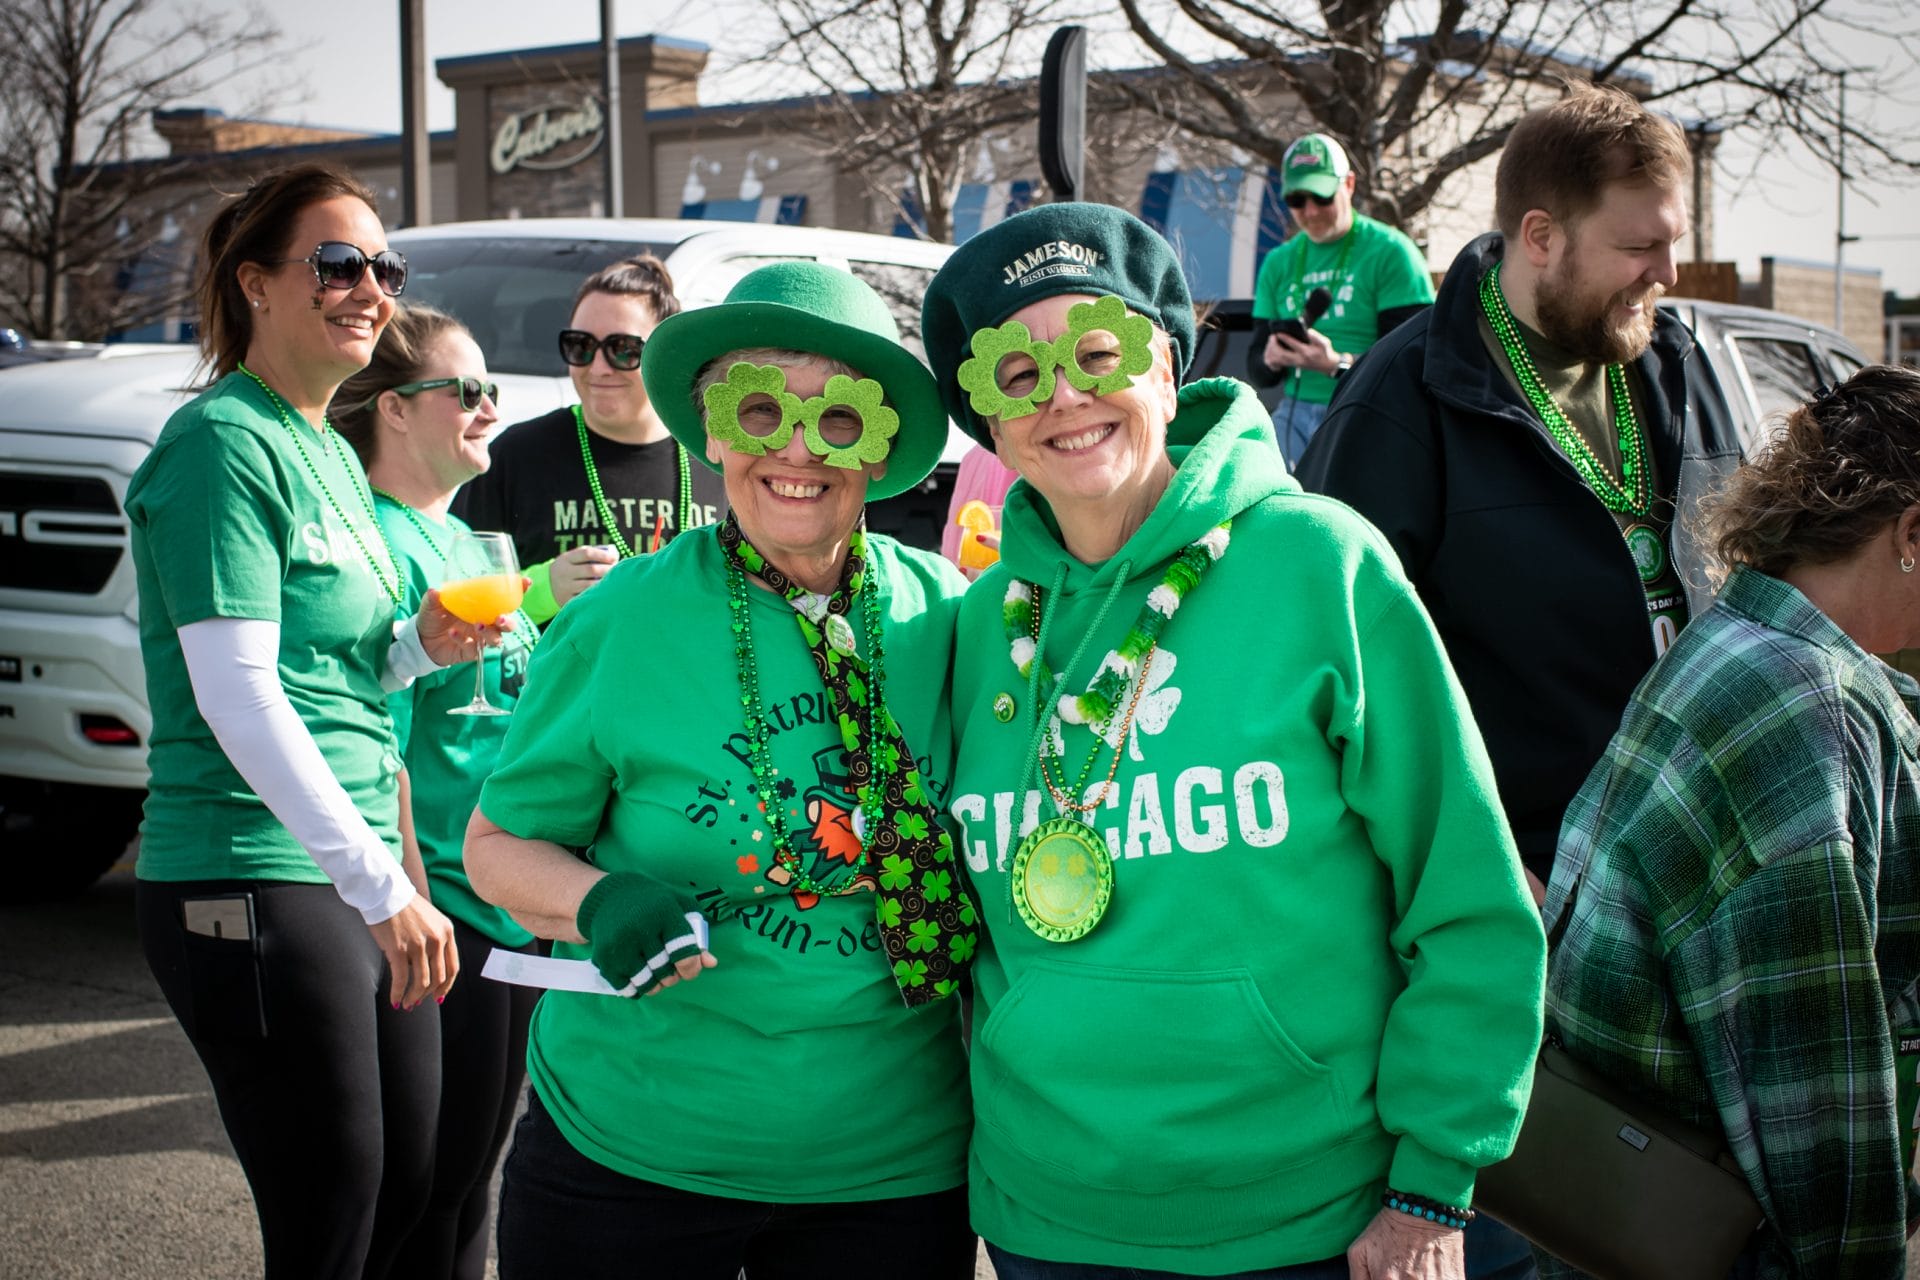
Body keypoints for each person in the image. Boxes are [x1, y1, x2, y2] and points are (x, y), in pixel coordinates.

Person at [920, 202, 1545, 1279]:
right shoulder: (980, 626)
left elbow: (1471, 898)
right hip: (1047, 1222)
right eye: (1018, 376)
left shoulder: (1319, 564)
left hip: (1309, 1225)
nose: (1064, 393)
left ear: (1169, 370)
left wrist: (1432, 1182)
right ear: (991, 424)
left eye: (1097, 353)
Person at [463, 261, 977, 1279]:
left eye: (835, 418)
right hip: (630, 1155)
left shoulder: (952, 616)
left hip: (890, 1171)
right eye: (760, 410)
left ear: (877, 446)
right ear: (712, 432)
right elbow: (498, 845)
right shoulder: (621, 618)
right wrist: (599, 899)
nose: (795, 448)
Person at [125, 164, 510, 1279]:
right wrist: (383, 883)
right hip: (247, 868)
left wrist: (416, 647)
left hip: (346, 864)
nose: (370, 289)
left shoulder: (326, 451)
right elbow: (239, 692)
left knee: (412, 1185)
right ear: (254, 283)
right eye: (338, 265)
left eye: (384, 268)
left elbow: (340, 676)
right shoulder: (221, 443)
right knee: (333, 1211)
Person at [1297, 83, 1742, 901]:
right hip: (1535, 887)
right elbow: (1333, 673)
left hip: (1713, 853)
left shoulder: (1679, 365)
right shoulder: (1398, 403)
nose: (1668, 275)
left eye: (1675, 243)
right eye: (1641, 246)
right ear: (1540, 235)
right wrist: (1477, 858)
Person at [1542, 365, 1920, 1278]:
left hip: (1624, 1210)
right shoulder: (1803, 713)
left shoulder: (1746, 640)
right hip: (1710, 1240)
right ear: (1912, 534)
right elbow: (1814, 1097)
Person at [329, 305, 540, 1280]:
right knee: (416, 1196)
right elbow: (381, 741)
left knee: (468, 1183)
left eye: (493, 388)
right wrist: (411, 895)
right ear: (394, 410)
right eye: (466, 390)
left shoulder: (471, 544)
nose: (489, 406)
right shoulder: (373, 542)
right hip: (439, 909)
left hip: (502, 901)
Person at [453, 255, 726, 623]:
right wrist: (543, 589)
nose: (598, 368)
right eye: (581, 346)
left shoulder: (717, 456)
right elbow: (456, 593)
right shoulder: (519, 455)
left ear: (664, 353)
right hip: (554, 678)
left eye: (623, 350)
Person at [1249, 132, 1435, 467]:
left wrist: (1337, 364)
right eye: (1297, 200)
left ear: (1348, 184)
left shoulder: (1392, 252)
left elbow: (1417, 359)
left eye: (1321, 197)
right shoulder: (1278, 262)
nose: (1310, 211)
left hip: (1368, 409)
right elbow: (1257, 368)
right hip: (1294, 412)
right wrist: (1271, 358)